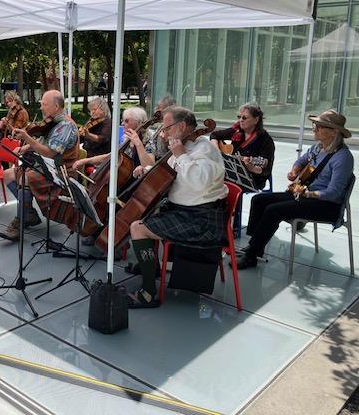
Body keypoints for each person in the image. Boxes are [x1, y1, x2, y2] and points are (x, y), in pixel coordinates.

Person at [127, 106, 228, 308]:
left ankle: (148, 293)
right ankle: (151, 267)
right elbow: (170, 171)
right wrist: (145, 169)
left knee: (138, 228)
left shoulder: (205, 151)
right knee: (142, 215)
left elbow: (199, 181)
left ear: (182, 126)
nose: (163, 134)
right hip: (183, 211)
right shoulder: (183, 148)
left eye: (167, 128)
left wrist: (181, 154)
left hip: (201, 220)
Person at [235, 109, 354, 269]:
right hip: (303, 195)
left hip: (326, 205)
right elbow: (301, 161)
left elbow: (334, 193)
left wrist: (308, 193)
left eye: (319, 126)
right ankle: (255, 246)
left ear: (334, 132)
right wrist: (295, 171)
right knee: (259, 200)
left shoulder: (343, 158)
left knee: (274, 210)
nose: (314, 129)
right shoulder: (317, 148)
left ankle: (251, 254)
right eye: (315, 125)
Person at [0, 90, 78, 241]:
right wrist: (25, 147)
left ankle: (19, 222)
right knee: (7, 175)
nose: (41, 107)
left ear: (56, 106)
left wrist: (27, 138)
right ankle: (28, 212)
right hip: (45, 168)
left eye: (44, 104)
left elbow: (49, 153)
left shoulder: (66, 125)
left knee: (25, 178)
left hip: (61, 171)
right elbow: (43, 141)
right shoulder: (53, 122)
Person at [210, 102, 275, 190]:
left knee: (219, 186)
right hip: (231, 173)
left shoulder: (265, 140)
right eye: (239, 117)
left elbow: (266, 169)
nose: (241, 120)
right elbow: (214, 135)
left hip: (252, 178)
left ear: (256, 120)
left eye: (244, 117)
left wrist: (252, 168)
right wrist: (217, 152)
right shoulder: (237, 131)